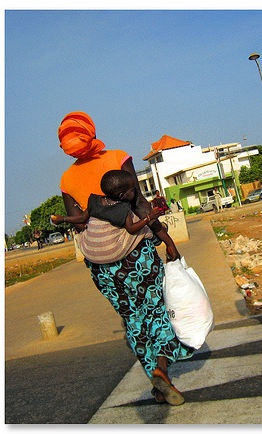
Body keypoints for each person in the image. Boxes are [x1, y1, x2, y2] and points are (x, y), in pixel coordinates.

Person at [57, 111, 193, 405]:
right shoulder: (117, 158)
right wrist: (167, 241)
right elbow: (140, 202)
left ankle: (157, 382)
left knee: (132, 319)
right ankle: (161, 367)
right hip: (136, 254)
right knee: (156, 308)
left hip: (102, 266)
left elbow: (79, 224)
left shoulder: (67, 178)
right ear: (91, 131)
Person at [51, 170, 165, 262]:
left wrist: (63, 218)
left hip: (91, 252)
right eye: (132, 190)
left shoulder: (94, 200)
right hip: (113, 251)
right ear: (121, 195)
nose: (135, 192)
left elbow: (81, 219)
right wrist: (149, 217)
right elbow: (131, 229)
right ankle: (155, 239)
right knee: (143, 228)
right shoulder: (123, 209)